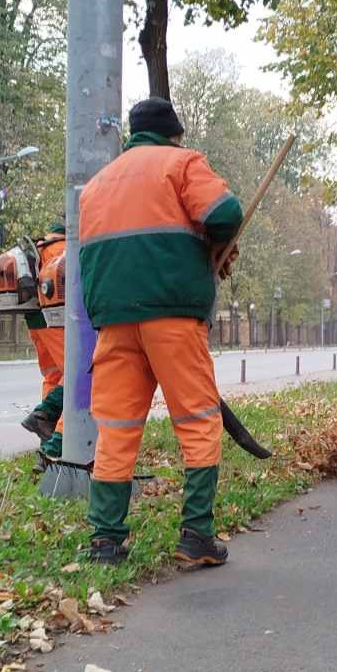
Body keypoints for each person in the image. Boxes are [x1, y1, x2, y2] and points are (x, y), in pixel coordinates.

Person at [78, 97, 242, 567]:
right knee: (197, 421)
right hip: (171, 315)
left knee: (117, 428)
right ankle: (196, 536)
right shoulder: (181, 163)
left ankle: (105, 542)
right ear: (174, 135)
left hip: (114, 322)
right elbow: (224, 215)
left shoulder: (96, 185)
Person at [21, 221, 68, 457]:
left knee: (54, 376)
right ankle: (56, 442)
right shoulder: (66, 247)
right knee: (78, 376)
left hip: (35, 321)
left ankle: (45, 443)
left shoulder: (38, 246)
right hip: (56, 318)